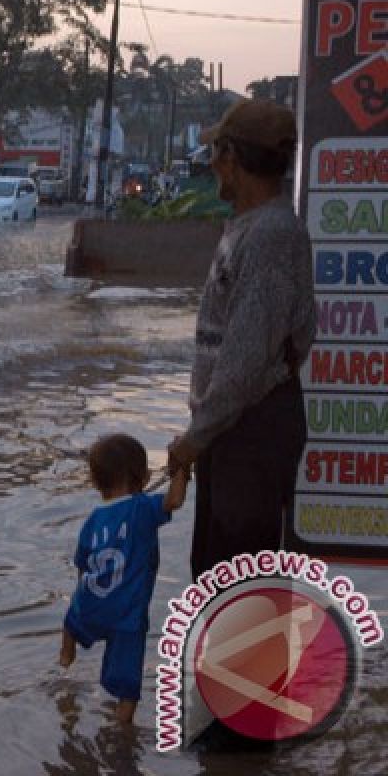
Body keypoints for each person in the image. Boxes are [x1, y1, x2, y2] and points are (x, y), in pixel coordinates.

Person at [167, 99, 315, 579]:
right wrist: (203, 433)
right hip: (234, 428)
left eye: (217, 152)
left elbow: (245, 360)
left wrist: (195, 437)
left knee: (235, 586)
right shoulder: (253, 227)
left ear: (233, 157)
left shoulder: (271, 235)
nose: (211, 164)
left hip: (251, 428)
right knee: (218, 577)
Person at [59, 434, 189, 724]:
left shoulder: (92, 520)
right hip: (127, 616)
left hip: (91, 604)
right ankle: (121, 728)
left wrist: (83, 601)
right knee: (128, 687)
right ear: (142, 475)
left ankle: (67, 650)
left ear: (95, 481)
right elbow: (175, 499)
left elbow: (82, 567)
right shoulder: (142, 508)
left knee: (72, 620)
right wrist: (183, 468)